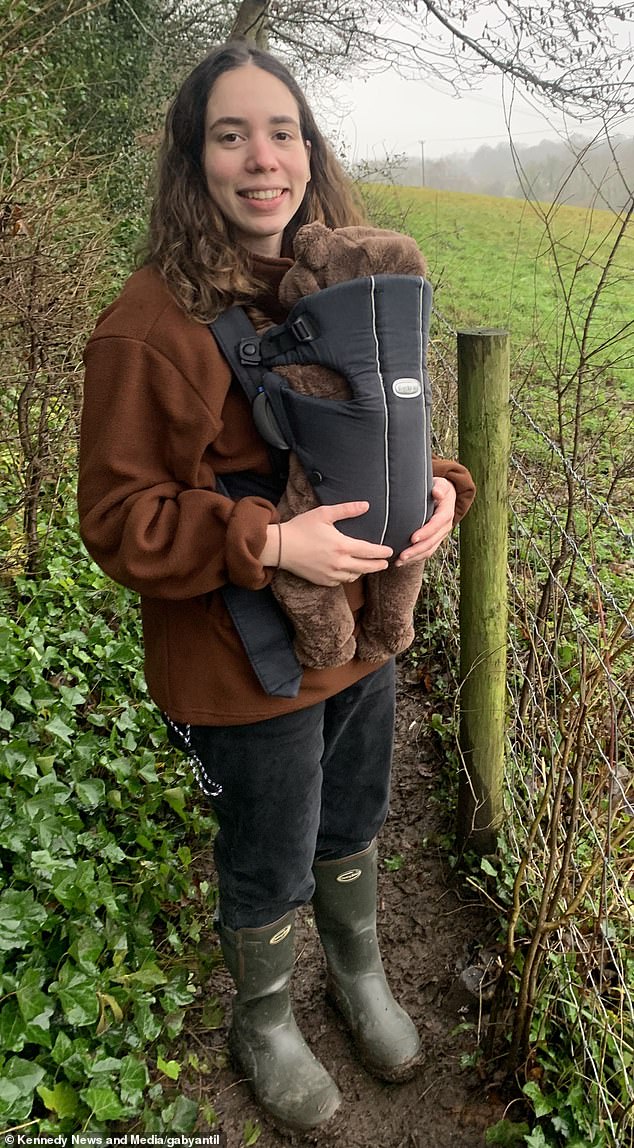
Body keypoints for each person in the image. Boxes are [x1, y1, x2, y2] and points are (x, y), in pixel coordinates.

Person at [78, 40, 476, 1133]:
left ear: (311, 148)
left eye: (282, 130)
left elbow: (390, 427)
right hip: (236, 661)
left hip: (360, 640)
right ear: (191, 159)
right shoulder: (148, 326)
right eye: (230, 133)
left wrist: (441, 492)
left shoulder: (348, 281)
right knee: (267, 844)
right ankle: (264, 1017)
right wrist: (269, 542)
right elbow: (115, 520)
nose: (263, 158)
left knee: (351, 814)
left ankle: (356, 974)